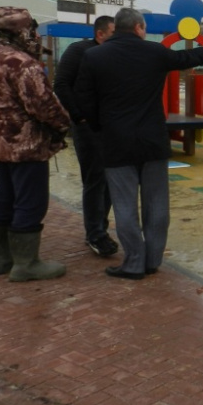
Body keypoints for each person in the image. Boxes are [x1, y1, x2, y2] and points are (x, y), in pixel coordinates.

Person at [74, 8, 203, 280]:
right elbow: (191, 57)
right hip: (152, 140)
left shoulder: (94, 56)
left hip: (116, 143)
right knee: (156, 204)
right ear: (139, 27)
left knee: (125, 205)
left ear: (117, 27)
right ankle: (153, 260)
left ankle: (133, 262)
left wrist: (100, 127)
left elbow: (84, 100)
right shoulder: (154, 52)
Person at [0, 6, 70, 282]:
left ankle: (1, 259)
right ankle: (26, 264)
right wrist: (64, 124)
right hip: (26, 145)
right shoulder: (23, 64)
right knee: (31, 200)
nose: (36, 35)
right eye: (32, 29)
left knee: (3, 196)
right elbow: (43, 105)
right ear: (20, 31)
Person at [53, 15, 119, 257]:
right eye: (113, 33)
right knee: (95, 178)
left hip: (111, 127)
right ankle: (95, 234)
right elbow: (61, 84)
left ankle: (99, 228)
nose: (118, 38)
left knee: (110, 179)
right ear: (100, 34)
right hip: (88, 127)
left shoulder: (114, 55)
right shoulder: (79, 51)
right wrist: (79, 116)